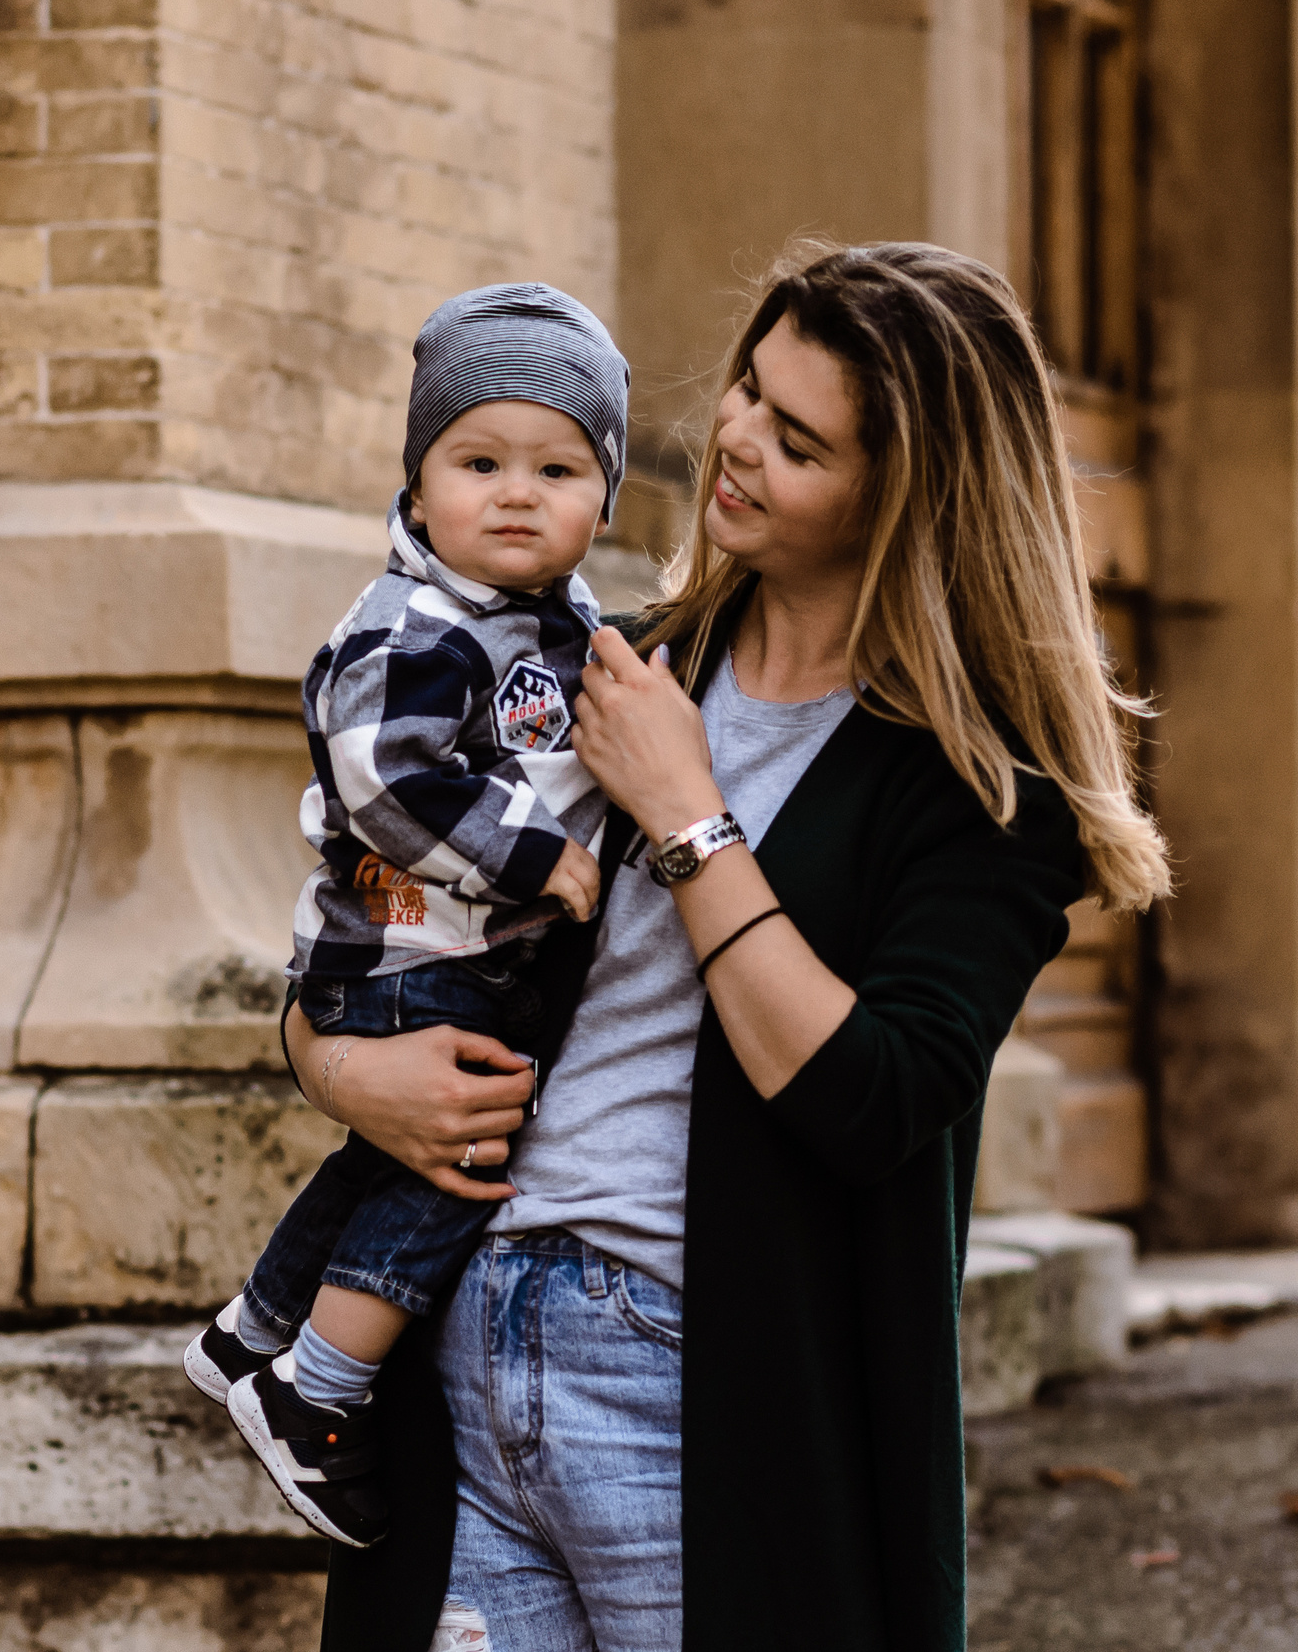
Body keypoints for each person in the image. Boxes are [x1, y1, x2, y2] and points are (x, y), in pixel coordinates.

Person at [278, 241, 1173, 1652]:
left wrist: (688, 815)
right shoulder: (603, 662)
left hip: (699, 1385)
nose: (738, 439)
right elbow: (374, 908)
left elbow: (874, 1096)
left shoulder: (981, 792)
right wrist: (338, 1068)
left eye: (799, 441)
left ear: (905, 498)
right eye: (750, 387)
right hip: (459, 1335)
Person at [183, 283, 631, 1549]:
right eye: (478, 463)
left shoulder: (562, 626)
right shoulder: (415, 625)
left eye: (557, 470)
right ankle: (316, 1392)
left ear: (604, 502)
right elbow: (386, 783)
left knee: (384, 1159)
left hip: (445, 955)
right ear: (418, 484)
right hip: (406, 953)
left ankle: (252, 1333)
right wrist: (536, 859)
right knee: (463, 1158)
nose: (515, 494)